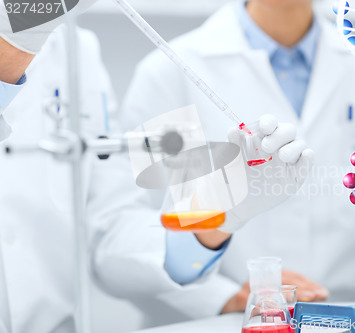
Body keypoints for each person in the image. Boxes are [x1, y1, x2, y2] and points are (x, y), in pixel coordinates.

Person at [118, 0, 355, 321]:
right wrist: (225, 296)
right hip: (218, 320)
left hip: (353, 311)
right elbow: (127, 230)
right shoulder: (170, 72)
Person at [0, 2, 313, 331]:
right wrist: (12, 47)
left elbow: (110, 229)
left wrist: (210, 217)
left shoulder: (77, 52)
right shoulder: (164, 70)